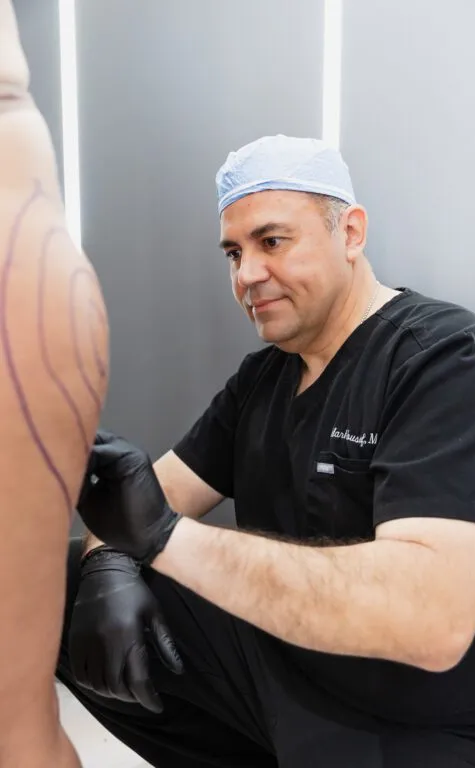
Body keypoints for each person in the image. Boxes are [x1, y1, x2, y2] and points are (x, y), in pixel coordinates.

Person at [60, 133, 475, 768]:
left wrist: (162, 539)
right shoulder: (262, 379)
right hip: (288, 681)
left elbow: (428, 620)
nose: (246, 275)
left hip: (422, 724)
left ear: (350, 233)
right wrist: (107, 566)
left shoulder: (447, 359)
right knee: (61, 581)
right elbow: (135, 507)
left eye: (273, 242)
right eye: (233, 253)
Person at [0, 1, 110, 766]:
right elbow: (173, 482)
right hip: (25, 228)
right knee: (17, 724)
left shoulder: (442, 354)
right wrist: (108, 558)